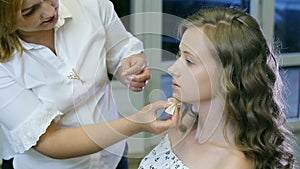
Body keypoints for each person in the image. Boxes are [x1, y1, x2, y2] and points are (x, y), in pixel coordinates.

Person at [0, 0, 179, 168]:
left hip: (114, 157)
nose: (49, 11)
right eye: (29, 11)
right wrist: (136, 123)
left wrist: (130, 67)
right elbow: (50, 141)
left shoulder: (89, 4)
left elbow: (121, 49)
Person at [138, 7, 295, 169]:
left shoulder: (233, 164)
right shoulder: (183, 124)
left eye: (190, 61)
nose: (173, 69)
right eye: (179, 55)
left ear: (227, 75)